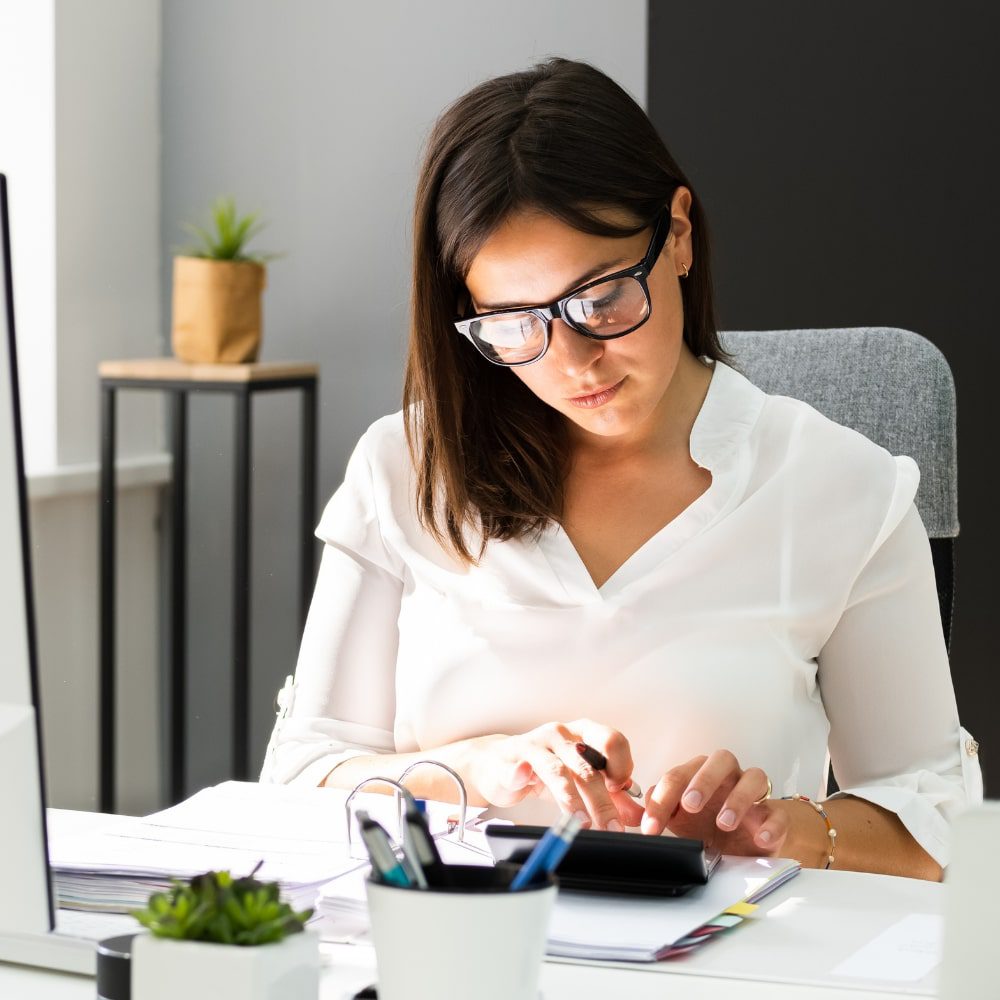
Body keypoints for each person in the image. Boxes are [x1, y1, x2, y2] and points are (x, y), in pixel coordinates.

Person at [260, 58, 982, 879]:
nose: (573, 364)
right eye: (513, 325)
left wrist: (783, 829)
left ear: (677, 234)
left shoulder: (842, 489)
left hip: (723, 966)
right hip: (455, 950)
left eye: (600, 301)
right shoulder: (404, 470)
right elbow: (295, 782)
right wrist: (475, 769)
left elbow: (938, 826)